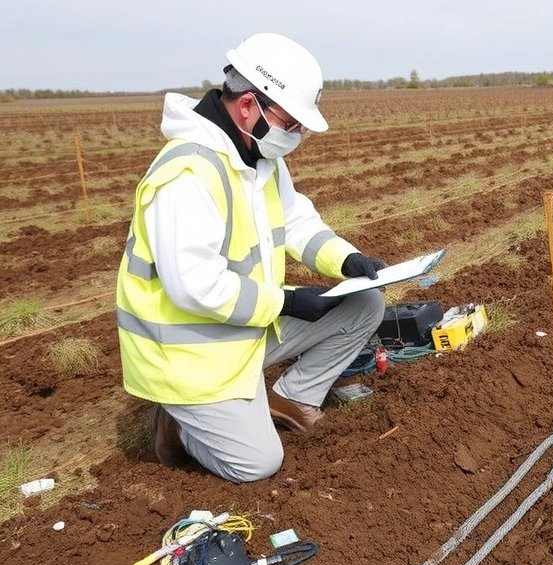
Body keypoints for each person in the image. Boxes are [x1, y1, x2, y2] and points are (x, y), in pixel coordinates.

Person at [115, 32, 387, 483]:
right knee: (260, 464)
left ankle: (292, 398)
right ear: (248, 106)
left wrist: (348, 260)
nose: (297, 134)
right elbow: (195, 286)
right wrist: (286, 301)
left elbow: (297, 222)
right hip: (188, 354)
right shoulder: (186, 174)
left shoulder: (258, 158)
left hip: (239, 330)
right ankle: (177, 426)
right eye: (292, 122)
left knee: (364, 305)